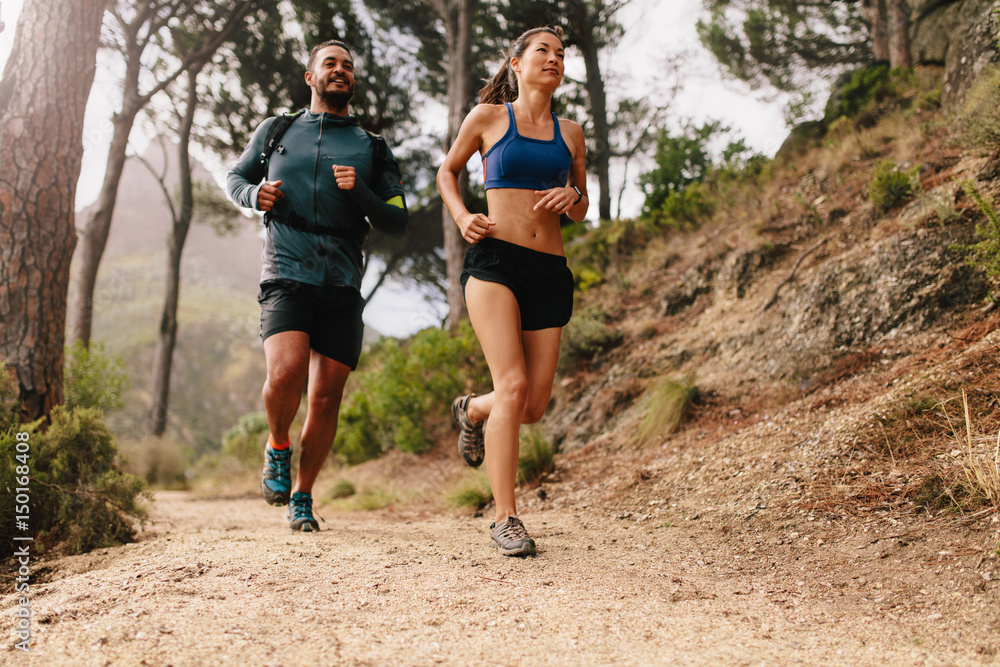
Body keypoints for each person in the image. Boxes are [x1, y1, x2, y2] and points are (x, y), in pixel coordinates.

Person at [227, 39, 408, 532]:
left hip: (344, 281)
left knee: (326, 398)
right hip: (286, 270)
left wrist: (362, 191)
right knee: (285, 375)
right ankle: (277, 445)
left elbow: (397, 219)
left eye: (348, 65)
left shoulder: (372, 146)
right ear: (310, 77)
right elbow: (236, 176)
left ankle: (302, 496)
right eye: (330, 63)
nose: (340, 70)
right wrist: (252, 194)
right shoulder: (278, 129)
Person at [436, 26, 589, 556]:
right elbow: (447, 172)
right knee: (514, 383)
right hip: (496, 262)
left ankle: (474, 410)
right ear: (516, 63)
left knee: (532, 404)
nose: (554, 59)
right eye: (543, 51)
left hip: (549, 269)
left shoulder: (571, 133)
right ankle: (506, 517)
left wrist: (570, 193)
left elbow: (582, 204)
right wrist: (461, 217)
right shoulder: (487, 119)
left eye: (561, 54)